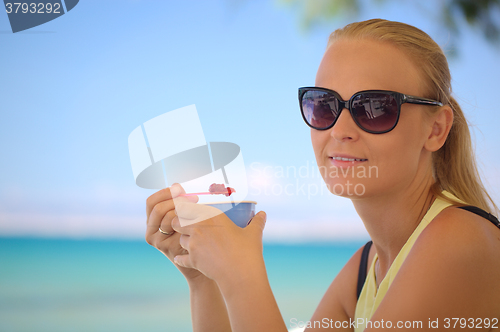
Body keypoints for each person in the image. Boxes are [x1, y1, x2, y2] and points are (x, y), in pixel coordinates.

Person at [145, 19, 500, 331]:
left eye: (374, 108)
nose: (340, 129)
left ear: (436, 129)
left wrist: (241, 275)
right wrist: (204, 278)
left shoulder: (460, 242)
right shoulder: (365, 270)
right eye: (324, 105)